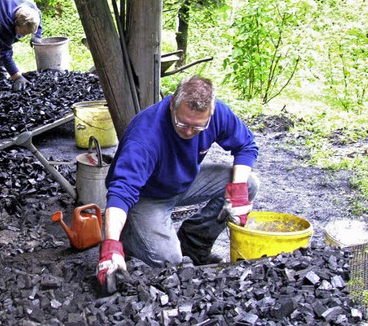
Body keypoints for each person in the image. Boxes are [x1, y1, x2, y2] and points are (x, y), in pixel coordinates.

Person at [96, 75, 260, 285]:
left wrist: (237, 192)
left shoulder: (217, 113)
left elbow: (246, 146)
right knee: (170, 260)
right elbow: (121, 191)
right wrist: (111, 245)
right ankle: (129, 235)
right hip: (146, 195)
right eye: (182, 124)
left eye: (198, 128)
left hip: (185, 181)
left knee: (248, 184)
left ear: (210, 112)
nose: (190, 132)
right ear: (173, 104)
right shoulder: (145, 136)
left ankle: (194, 242)